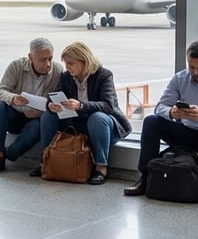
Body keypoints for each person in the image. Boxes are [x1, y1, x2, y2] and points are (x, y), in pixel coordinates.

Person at [124, 40, 198, 207]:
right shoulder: (180, 78)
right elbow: (160, 107)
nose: (196, 72)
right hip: (187, 131)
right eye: (192, 67)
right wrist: (171, 113)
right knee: (151, 121)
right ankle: (145, 177)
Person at [35, 41, 132, 184]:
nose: (67, 67)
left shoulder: (103, 75)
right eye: (66, 63)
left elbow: (108, 106)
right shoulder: (67, 77)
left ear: (84, 61)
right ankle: (47, 160)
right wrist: (51, 104)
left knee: (97, 118)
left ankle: (101, 167)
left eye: (70, 63)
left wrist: (81, 106)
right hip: (78, 122)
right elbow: (54, 93)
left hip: (103, 126)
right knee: (48, 115)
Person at [0, 37, 64, 171]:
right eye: (42, 60)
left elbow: (59, 98)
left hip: (37, 119)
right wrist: (13, 98)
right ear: (30, 57)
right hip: (16, 114)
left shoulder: (57, 70)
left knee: (37, 128)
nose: (47, 64)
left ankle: (10, 154)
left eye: (50, 59)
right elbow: (0, 91)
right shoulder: (17, 66)